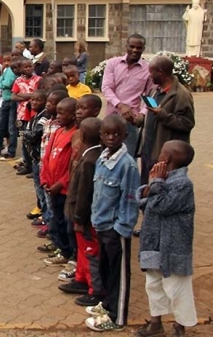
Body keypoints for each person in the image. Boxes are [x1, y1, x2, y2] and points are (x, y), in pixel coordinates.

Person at [136, 140, 197, 337]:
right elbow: (144, 199)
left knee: (177, 289)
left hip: (173, 248)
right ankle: (156, 324)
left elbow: (160, 205)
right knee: (153, 285)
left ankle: (180, 327)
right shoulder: (161, 177)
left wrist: (155, 183)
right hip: (154, 242)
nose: (158, 155)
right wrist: (152, 184)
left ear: (166, 158)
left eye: (161, 152)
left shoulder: (183, 184)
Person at [85, 114, 140, 332]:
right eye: (107, 133)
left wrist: (122, 229)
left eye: (117, 134)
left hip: (116, 229)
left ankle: (118, 318)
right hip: (101, 224)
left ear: (125, 136)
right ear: (100, 135)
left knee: (120, 275)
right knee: (106, 268)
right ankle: (107, 304)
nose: (111, 137)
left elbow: (129, 199)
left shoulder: (127, 166)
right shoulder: (102, 157)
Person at [61, 117, 104, 307]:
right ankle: (81, 279)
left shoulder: (90, 160)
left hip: (83, 216)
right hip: (78, 212)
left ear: (83, 135)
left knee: (90, 252)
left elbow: (85, 193)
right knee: (82, 251)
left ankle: (95, 290)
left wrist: (79, 218)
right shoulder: (88, 154)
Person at [139, 55, 195, 185]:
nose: (149, 76)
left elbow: (187, 124)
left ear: (160, 72)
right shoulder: (155, 91)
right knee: (145, 189)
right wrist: (141, 119)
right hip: (149, 150)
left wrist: (163, 115)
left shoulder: (181, 95)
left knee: (159, 190)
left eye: (151, 72)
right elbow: (152, 116)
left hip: (165, 155)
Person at [101, 34, 153, 156]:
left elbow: (151, 97)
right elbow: (106, 88)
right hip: (111, 118)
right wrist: (120, 105)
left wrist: (142, 114)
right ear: (126, 46)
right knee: (107, 155)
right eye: (132, 46)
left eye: (139, 48)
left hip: (130, 121)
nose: (135, 50)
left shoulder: (148, 70)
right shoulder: (112, 63)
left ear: (143, 49)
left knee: (128, 157)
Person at [41, 98, 78, 266]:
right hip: (51, 186)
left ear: (73, 115)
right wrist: (45, 180)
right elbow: (47, 157)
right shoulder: (57, 132)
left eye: (62, 113)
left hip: (63, 189)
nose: (58, 116)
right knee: (58, 220)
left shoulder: (76, 135)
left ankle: (71, 253)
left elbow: (73, 166)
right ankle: (63, 250)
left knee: (67, 223)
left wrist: (60, 184)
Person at [23, 90, 49, 225]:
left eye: (38, 100)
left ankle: (46, 217)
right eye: (32, 99)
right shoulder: (34, 117)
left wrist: (27, 134)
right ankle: (42, 211)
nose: (34, 102)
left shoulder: (44, 117)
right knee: (38, 188)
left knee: (43, 190)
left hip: (40, 158)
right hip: (34, 158)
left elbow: (33, 135)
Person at [0, 54, 19, 159]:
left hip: (12, 101)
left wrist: (2, 84)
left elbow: (7, 83)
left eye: (9, 60)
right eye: (5, 60)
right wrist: (2, 83)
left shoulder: (13, 71)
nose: (7, 63)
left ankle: (11, 151)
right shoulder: (5, 70)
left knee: (11, 128)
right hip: (4, 101)